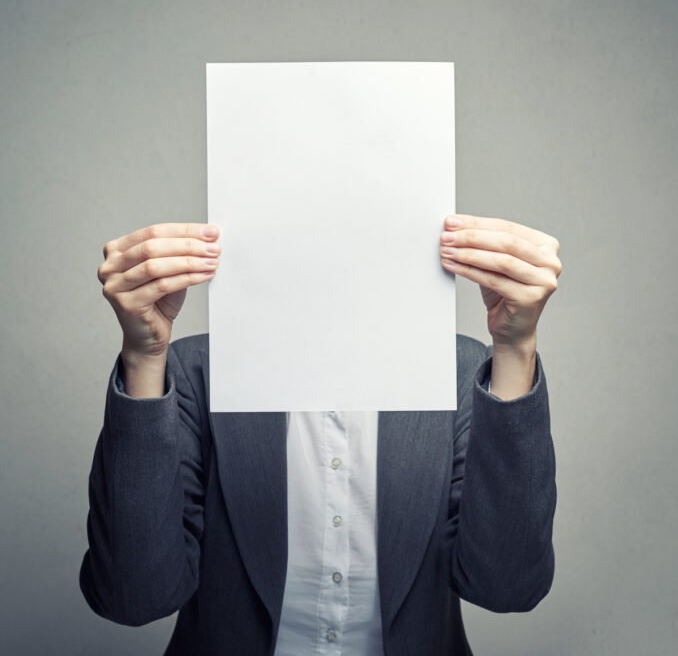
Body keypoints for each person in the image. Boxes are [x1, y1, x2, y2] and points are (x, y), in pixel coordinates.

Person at [80, 214, 562, 655]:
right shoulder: (195, 372)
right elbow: (132, 597)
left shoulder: (456, 373)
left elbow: (507, 586)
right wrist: (144, 357)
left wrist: (515, 347)